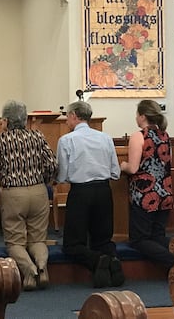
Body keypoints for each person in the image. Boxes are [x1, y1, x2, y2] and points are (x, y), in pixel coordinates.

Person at [0, 100, 58, 291]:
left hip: (13, 194)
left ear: (7, 121)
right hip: (38, 191)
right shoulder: (37, 136)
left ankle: (29, 271)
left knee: (15, 242)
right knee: (37, 240)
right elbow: (52, 165)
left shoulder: (1, 140)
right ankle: (42, 266)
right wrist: (45, 180)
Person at [56, 101, 124, 288]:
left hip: (80, 193)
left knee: (72, 244)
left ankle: (97, 261)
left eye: (67, 115)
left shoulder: (66, 140)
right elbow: (115, 172)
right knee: (103, 239)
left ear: (74, 116)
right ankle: (112, 260)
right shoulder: (105, 138)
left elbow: (62, 175)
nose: (66, 120)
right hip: (104, 190)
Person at [120, 99, 174, 271]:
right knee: (158, 236)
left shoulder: (139, 136)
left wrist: (122, 166)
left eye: (137, 114)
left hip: (145, 194)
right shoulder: (165, 136)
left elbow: (133, 167)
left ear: (142, 116)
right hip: (165, 191)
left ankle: (173, 262)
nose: (136, 118)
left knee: (139, 239)